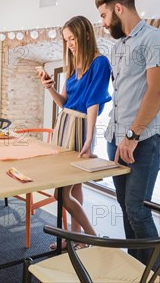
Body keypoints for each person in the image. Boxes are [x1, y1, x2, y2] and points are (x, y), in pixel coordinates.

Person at [95, 0, 160, 265]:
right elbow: (133, 90)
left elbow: (157, 91)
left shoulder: (157, 39)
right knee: (125, 207)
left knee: (137, 209)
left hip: (142, 140)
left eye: (105, 16)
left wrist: (132, 134)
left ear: (119, 9)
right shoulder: (117, 47)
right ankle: (135, 269)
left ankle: (155, 274)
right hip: (115, 138)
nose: (104, 23)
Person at [36, 15, 112, 249]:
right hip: (64, 124)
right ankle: (74, 239)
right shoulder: (73, 65)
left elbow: (93, 102)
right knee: (74, 187)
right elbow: (64, 102)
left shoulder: (100, 63)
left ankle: (89, 237)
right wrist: (49, 88)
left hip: (79, 128)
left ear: (86, 34)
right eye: (66, 39)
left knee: (61, 194)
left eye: (73, 38)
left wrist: (89, 138)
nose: (69, 43)